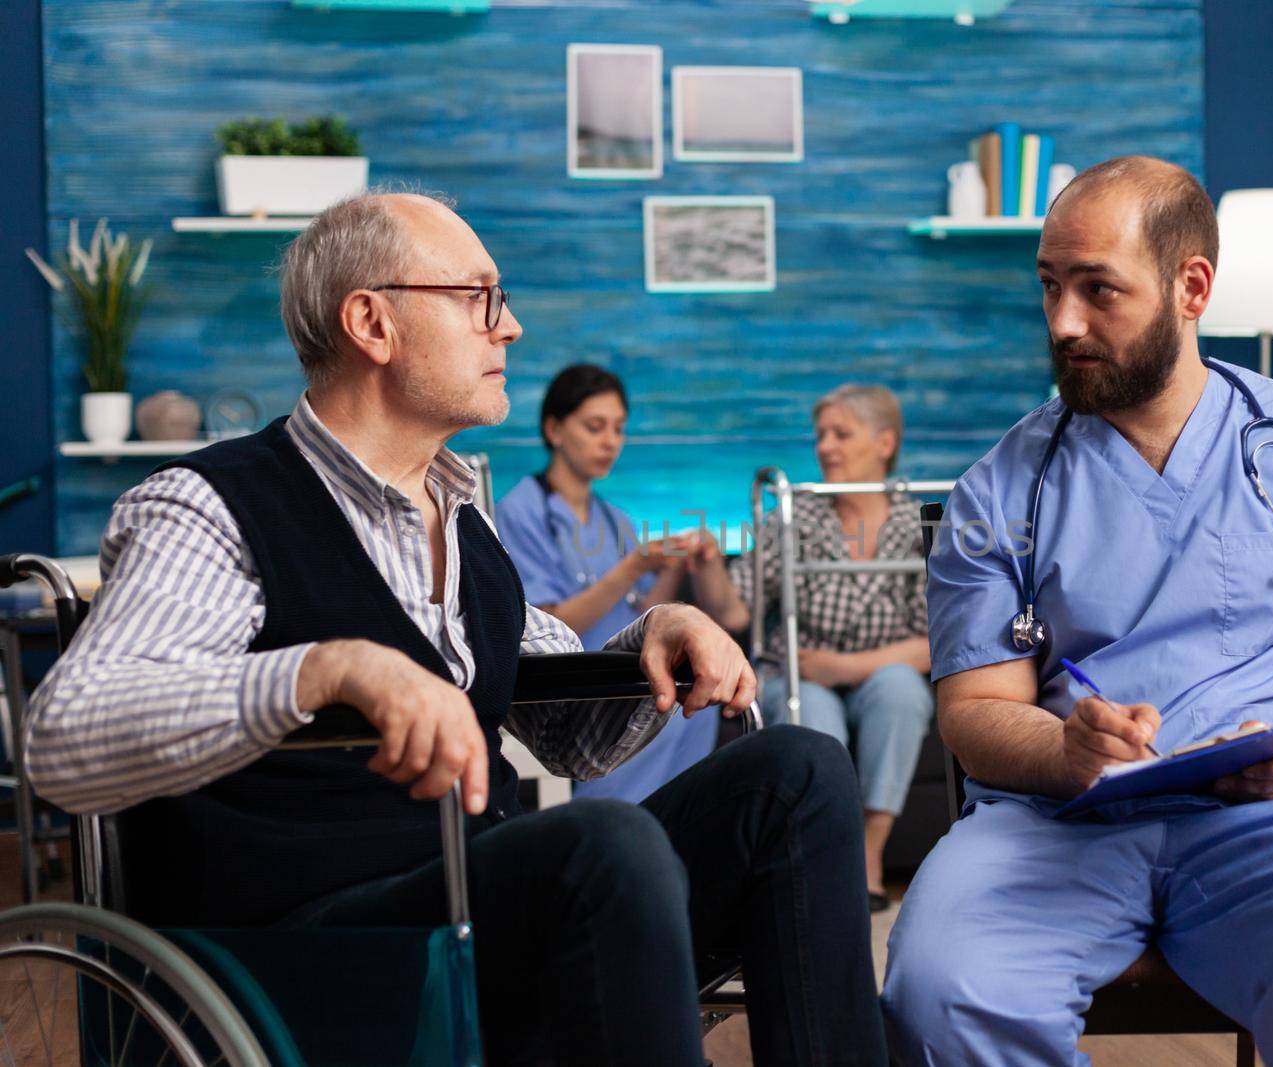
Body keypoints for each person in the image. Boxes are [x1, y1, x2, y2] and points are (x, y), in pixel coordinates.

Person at [25, 191, 888, 1067]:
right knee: (602, 843)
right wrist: (324, 669)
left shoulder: (463, 518)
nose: (508, 326)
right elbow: (67, 734)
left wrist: (657, 629)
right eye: (479, 297)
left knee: (799, 768)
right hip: (304, 956)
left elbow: (568, 733)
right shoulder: (209, 507)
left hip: (475, 917)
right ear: (372, 321)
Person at [880, 157, 1273, 1066]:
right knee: (936, 991)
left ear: (1191, 287)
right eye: (1049, 287)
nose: (1063, 322)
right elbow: (974, 711)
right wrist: (1065, 748)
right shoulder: (998, 491)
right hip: (1050, 827)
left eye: (1097, 290)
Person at [691, 384, 935, 912]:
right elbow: (736, 613)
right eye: (821, 435)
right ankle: (834, 857)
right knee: (812, 711)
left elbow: (932, 645)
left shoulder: (914, 522)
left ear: (884, 442)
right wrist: (710, 564)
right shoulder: (793, 513)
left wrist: (840, 666)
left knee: (901, 693)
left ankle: (868, 854)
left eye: (841, 434)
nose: (825, 446)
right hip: (797, 674)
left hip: (879, 670)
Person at [496, 363, 721, 802]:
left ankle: (670, 830)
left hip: (627, 668)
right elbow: (548, 622)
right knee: (671, 708)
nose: (610, 441)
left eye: (618, 429)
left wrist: (674, 563)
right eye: (595, 427)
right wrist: (635, 564)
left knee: (700, 701)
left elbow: (639, 614)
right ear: (555, 429)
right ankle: (621, 822)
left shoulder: (613, 518)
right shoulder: (520, 512)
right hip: (574, 681)